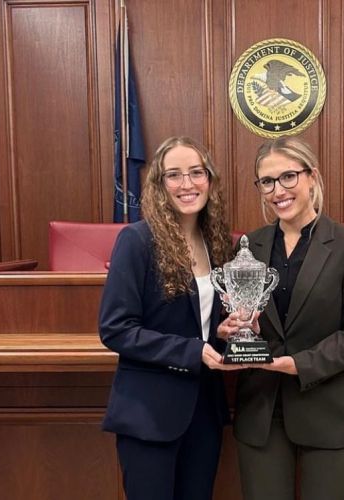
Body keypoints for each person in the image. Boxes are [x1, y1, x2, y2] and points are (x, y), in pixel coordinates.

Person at [221, 135, 344, 500]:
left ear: (311, 176)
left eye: (288, 177)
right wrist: (231, 329)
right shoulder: (249, 246)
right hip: (262, 413)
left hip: (328, 409)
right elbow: (238, 316)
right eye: (267, 181)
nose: (278, 190)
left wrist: (300, 364)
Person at [99, 136, 238, 500]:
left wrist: (221, 335)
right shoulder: (137, 241)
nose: (187, 184)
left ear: (210, 179)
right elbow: (116, 328)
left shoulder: (220, 243)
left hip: (204, 411)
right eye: (173, 175)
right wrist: (191, 351)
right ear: (159, 186)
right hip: (149, 412)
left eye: (196, 172)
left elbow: (203, 327)